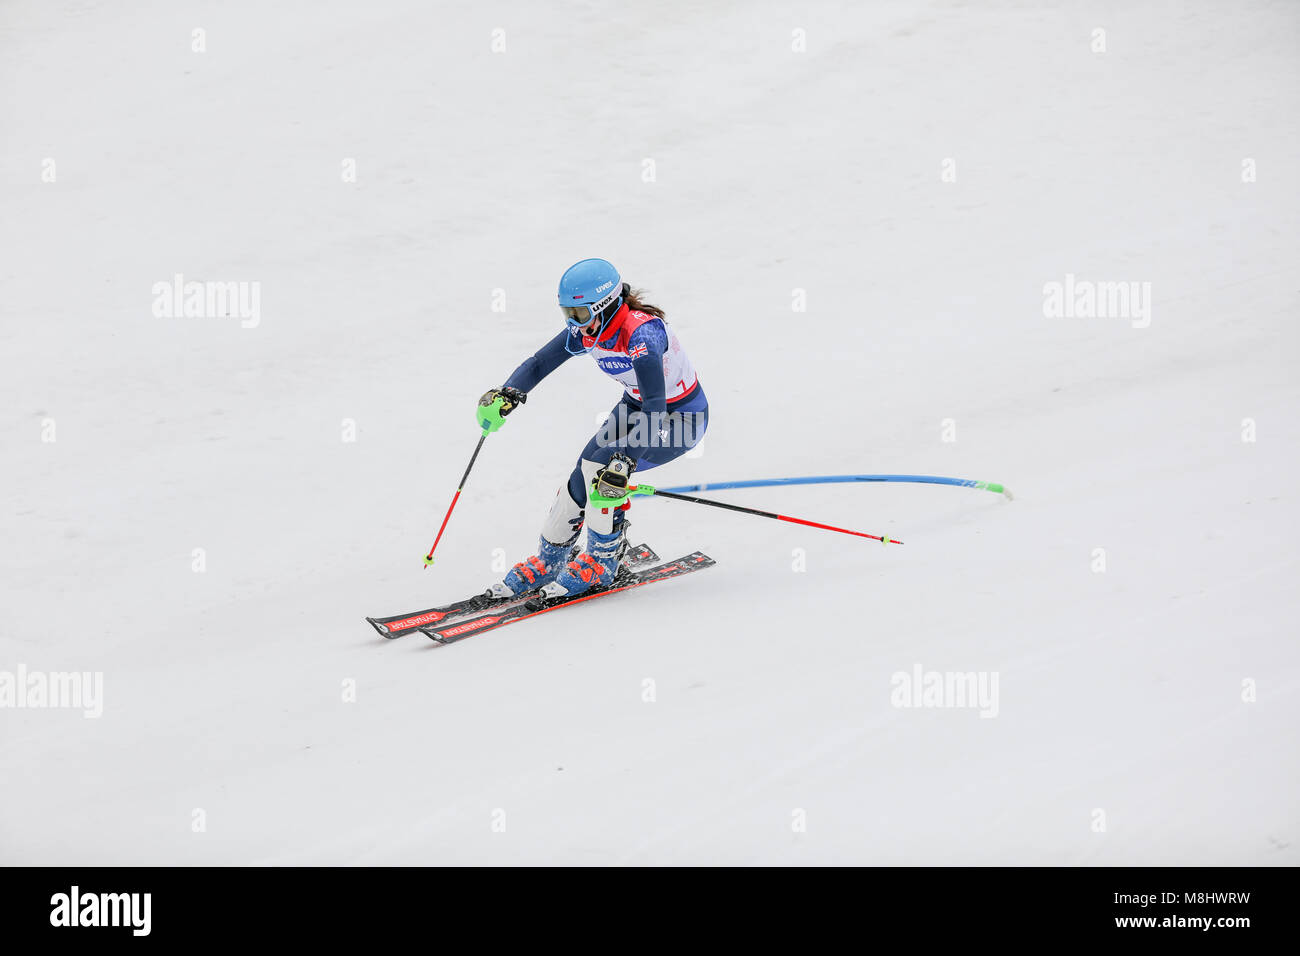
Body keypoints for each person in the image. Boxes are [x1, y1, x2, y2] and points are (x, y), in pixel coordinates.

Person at [476, 258, 708, 598]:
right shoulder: (589, 328)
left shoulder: (642, 334)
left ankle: (603, 561)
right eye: (568, 314)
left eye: (580, 314)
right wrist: (509, 391)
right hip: (636, 408)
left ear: (606, 305)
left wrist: (626, 460)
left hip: (680, 419)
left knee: (603, 470)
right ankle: (550, 559)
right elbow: (540, 363)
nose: (575, 324)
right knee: (583, 471)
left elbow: (656, 407)